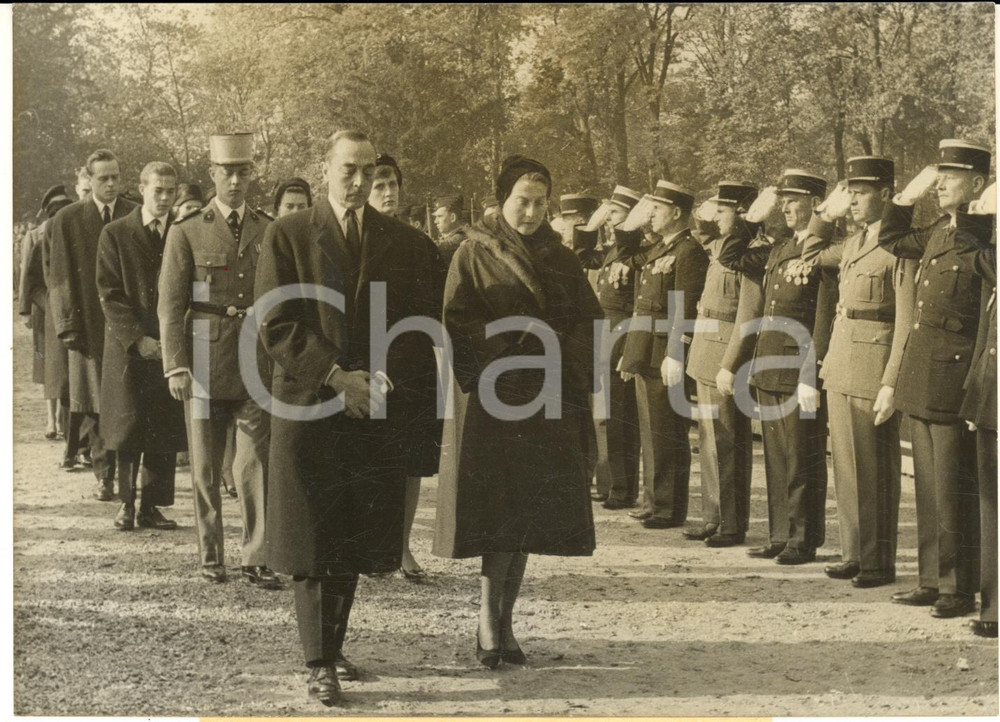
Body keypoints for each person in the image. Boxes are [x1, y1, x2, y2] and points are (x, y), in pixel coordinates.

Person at [255, 129, 441, 706]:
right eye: (348, 170)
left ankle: (331, 646)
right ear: (325, 169)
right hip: (308, 401)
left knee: (352, 531)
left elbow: (415, 327)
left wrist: (380, 382)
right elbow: (277, 323)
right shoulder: (288, 234)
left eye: (368, 171)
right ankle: (318, 661)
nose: (359, 182)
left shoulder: (401, 240)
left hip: (372, 407)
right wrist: (337, 376)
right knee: (312, 534)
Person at [434, 154, 602, 670]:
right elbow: (456, 320)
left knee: (528, 513)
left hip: (549, 397)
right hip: (496, 399)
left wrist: (562, 355)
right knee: (498, 514)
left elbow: (588, 321)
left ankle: (506, 623)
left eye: (539, 204)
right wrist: (507, 350)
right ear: (501, 201)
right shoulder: (474, 252)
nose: (531, 213)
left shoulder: (561, 257)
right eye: (521, 202)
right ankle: (488, 622)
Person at [158, 133, 278, 588]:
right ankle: (211, 555)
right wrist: (176, 364)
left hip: (255, 360)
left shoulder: (268, 229)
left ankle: (256, 556)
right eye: (227, 172)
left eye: (243, 172)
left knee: (254, 462)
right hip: (204, 361)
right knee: (206, 468)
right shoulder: (187, 230)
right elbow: (171, 306)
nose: (235, 180)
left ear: (252, 175)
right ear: (212, 174)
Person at [877, 140, 990, 618]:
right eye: (938, 176)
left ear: (978, 184)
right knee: (927, 486)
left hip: (954, 378)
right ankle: (931, 579)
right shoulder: (941, 230)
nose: (940, 184)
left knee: (952, 489)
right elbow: (892, 239)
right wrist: (907, 197)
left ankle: (957, 588)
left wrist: (982, 218)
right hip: (921, 373)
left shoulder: (984, 238)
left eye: (951, 177)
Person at [800, 157, 915, 587]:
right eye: (849, 193)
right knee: (846, 466)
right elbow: (811, 253)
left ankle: (877, 560)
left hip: (873, 365)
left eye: (861, 193)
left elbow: (905, 320)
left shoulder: (899, 246)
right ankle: (854, 552)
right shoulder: (852, 243)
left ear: (886, 194)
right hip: (842, 362)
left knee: (875, 469)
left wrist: (891, 380)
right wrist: (823, 213)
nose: (853, 202)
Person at [717, 169, 838, 564]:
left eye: (794, 200)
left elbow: (823, 317)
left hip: (798, 367)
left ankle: (802, 539)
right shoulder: (780, 248)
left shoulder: (824, 251)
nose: (785, 207)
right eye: (782, 201)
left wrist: (811, 374)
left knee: (802, 458)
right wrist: (752, 218)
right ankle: (780, 534)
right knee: (776, 458)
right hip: (769, 365)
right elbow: (731, 256)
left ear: (815, 204)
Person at [367, 152, 445, 582]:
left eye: (392, 184)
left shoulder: (419, 244)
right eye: (379, 185)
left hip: (410, 365)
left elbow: (436, 307)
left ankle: (401, 547)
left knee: (410, 460)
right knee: (367, 458)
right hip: (363, 364)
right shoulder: (352, 241)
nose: (387, 192)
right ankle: (366, 547)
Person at [96, 161, 186, 532]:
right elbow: (109, 293)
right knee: (128, 426)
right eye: (157, 190)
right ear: (142, 188)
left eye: (170, 191)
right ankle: (126, 503)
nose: (164, 198)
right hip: (129, 348)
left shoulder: (182, 231)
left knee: (163, 425)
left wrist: (173, 339)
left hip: (169, 344)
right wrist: (137, 339)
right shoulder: (116, 233)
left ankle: (152, 506)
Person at [618, 181, 709, 530]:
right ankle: (653, 500)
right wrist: (634, 220)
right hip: (645, 350)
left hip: (664, 354)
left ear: (676, 213)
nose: (651, 214)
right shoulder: (659, 248)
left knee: (667, 432)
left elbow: (684, 307)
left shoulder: (689, 252)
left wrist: (676, 351)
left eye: (657, 208)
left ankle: (669, 508)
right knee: (650, 431)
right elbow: (626, 253)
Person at [49, 149, 138, 500]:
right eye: (103, 178)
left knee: (127, 400)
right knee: (96, 403)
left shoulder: (134, 213)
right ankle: (104, 475)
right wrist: (68, 325)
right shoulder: (68, 219)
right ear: (89, 179)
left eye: (116, 177)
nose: (111, 184)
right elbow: (60, 277)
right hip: (88, 324)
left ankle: (126, 476)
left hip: (128, 323)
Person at [684, 181, 761, 546]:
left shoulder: (752, 253)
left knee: (729, 441)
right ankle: (712, 515)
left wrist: (731, 362)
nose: (716, 217)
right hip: (705, 349)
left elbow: (748, 315)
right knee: (708, 441)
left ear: (743, 214)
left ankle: (732, 523)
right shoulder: (719, 246)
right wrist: (707, 211)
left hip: (726, 353)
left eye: (724, 210)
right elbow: (699, 228)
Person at [572, 186, 643, 509]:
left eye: (615, 213)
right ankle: (614, 485)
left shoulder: (636, 251)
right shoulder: (614, 250)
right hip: (606, 338)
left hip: (622, 339)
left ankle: (623, 489)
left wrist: (630, 347)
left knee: (621, 418)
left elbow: (637, 305)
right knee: (609, 415)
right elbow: (582, 256)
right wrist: (590, 226)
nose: (610, 219)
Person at [961, 185, 997, 637]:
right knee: (991, 511)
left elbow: (974, 246)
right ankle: (995, 608)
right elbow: (986, 340)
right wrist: (976, 397)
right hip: (992, 400)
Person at [20, 185, 73, 440]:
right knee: (47, 365)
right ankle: (52, 419)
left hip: (68, 313)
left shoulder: (75, 238)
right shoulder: (37, 238)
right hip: (45, 313)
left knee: (64, 368)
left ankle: (63, 420)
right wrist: (28, 310)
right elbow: (28, 279)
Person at [432, 194, 469, 266]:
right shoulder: (447, 237)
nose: (435, 221)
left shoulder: (460, 237)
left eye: (439, 216)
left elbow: (441, 245)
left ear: (453, 218)